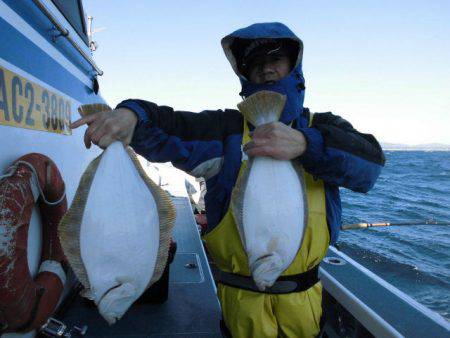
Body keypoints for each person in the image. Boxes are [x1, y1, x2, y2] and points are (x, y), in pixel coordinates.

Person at [72, 22, 385, 338]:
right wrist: (131, 114)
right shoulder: (224, 131)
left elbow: (370, 166)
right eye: (254, 64)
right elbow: (164, 125)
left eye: (275, 58)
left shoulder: (324, 127)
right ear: (244, 76)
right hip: (240, 306)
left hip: (306, 303)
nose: (265, 70)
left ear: (295, 66)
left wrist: (306, 144)